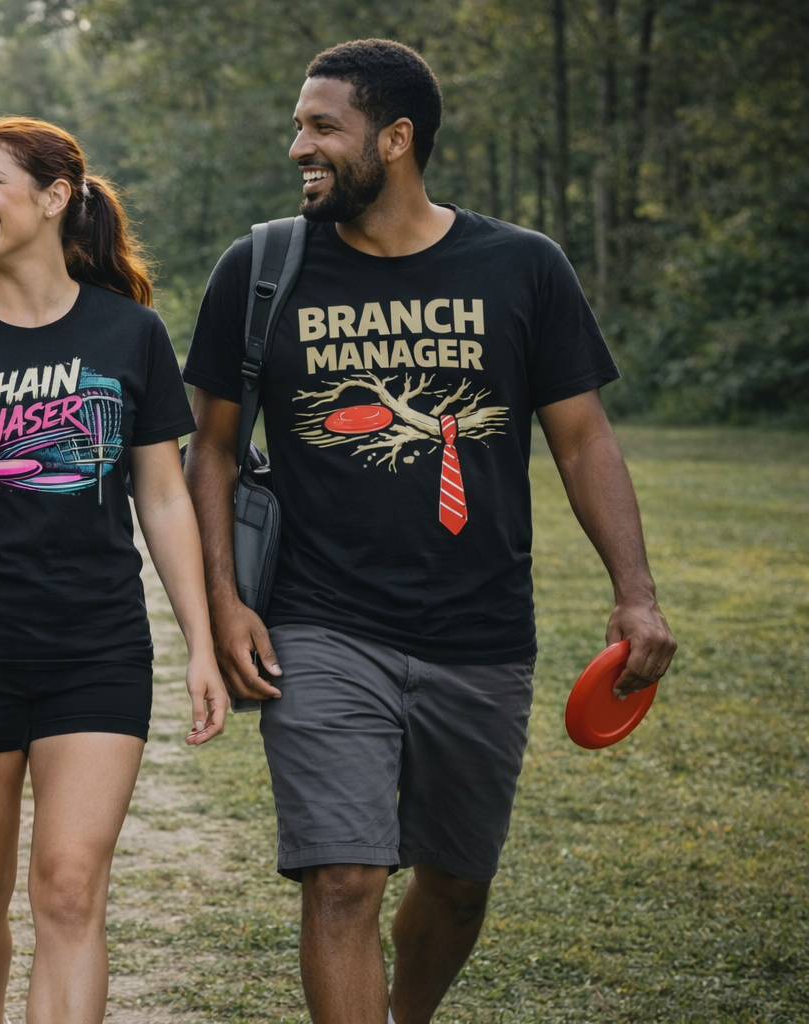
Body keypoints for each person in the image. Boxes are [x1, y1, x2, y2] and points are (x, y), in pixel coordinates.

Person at [182, 39, 677, 1024]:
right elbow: (213, 448)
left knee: (456, 884)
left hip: (481, 630)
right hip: (320, 623)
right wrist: (226, 603)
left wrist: (635, 591)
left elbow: (581, 442)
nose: (299, 146)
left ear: (395, 139)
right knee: (343, 877)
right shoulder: (264, 267)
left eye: (322, 125)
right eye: (297, 124)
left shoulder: (522, 266)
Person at [0, 116, 228, 1024]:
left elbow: (166, 495)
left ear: (55, 195)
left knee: (70, 890)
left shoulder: (131, 333)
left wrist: (200, 644)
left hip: (96, 648)